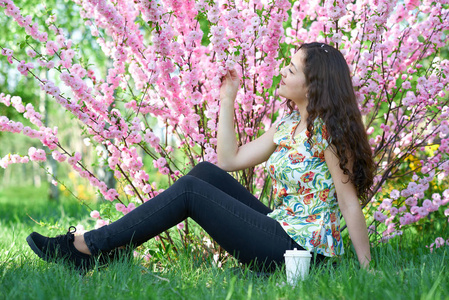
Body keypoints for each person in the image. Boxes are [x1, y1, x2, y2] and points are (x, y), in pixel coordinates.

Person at [26, 42, 374, 273]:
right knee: (205, 173)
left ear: (314, 86)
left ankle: (89, 247)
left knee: (192, 191)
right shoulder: (286, 126)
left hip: (300, 252)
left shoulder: (327, 133)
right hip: (279, 229)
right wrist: (227, 99)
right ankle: (108, 249)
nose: (283, 70)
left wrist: (366, 268)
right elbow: (229, 160)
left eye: (293, 70)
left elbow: (349, 203)